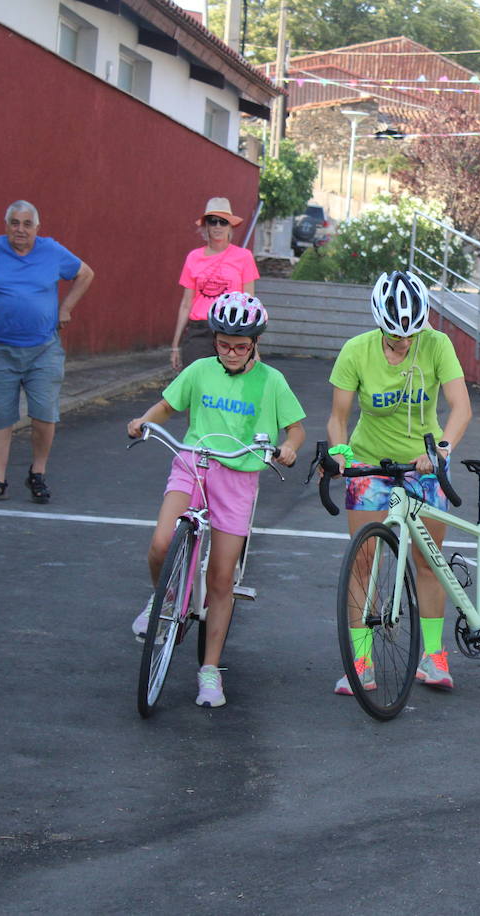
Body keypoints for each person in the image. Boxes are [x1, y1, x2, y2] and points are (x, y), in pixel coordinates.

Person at [128, 293, 305, 708]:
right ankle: (165, 600)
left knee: (221, 578)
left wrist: (289, 447)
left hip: (238, 477)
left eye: (240, 346)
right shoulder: (199, 371)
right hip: (193, 462)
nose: (230, 352)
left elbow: (295, 429)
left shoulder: (271, 381)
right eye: (223, 343)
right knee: (160, 543)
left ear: (255, 344)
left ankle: (209, 670)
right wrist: (141, 422)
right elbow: (166, 407)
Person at [324, 270, 472, 695]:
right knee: (365, 563)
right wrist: (340, 454)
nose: (403, 343)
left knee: (430, 562)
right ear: (380, 325)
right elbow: (337, 418)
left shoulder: (438, 345)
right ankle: (362, 661)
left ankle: (434, 656)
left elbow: (461, 407)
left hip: (423, 467)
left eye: (410, 334)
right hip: (370, 465)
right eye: (394, 337)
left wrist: (442, 449)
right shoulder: (356, 351)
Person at [0, 200, 94, 503]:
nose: (20, 229)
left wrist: (66, 307)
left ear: (37, 228)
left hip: (43, 349)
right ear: (6, 225)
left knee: (45, 414)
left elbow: (85, 274)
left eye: (27, 224)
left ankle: (37, 473)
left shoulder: (52, 250)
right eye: (14, 223)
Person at [170, 197, 258, 373]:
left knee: (229, 387)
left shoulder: (244, 257)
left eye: (223, 222)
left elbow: (250, 303)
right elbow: (186, 303)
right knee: (196, 384)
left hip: (232, 330)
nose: (218, 226)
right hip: (199, 331)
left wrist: (254, 346)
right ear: (206, 226)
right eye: (213, 221)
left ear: (230, 226)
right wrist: (175, 346)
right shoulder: (193, 257)